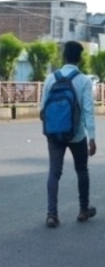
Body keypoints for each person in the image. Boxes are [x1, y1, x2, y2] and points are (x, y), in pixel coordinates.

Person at [42, 40, 96, 228]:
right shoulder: (84, 80)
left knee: (54, 172)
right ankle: (83, 210)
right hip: (77, 134)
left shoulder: (50, 79)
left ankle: (52, 214)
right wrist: (92, 138)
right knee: (81, 170)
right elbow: (88, 111)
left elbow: (42, 109)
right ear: (79, 59)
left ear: (64, 56)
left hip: (54, 133)